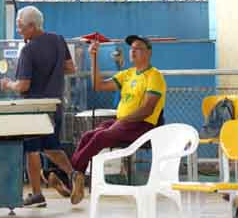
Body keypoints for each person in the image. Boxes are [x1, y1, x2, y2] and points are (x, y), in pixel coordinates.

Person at [0, 6, 82, 208]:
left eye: (20, 27)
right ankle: (73, 174)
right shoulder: (57, 39)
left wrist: (8, 84)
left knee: (32, 150)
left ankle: (36, 194)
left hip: (33, 108)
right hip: (55, 105)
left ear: (32, 26)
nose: (19, 31)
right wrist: (50, 70)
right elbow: (71, 68)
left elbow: (23, 86)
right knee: (50, 146)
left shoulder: (28, 50)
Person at [70, 35, 167, 193]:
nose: (133, 52)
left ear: (149, 53)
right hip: (123, 122)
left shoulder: (154, 76)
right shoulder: (127, 74)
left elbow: (147, 109)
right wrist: (93, 57)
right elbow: (98, 85)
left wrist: (121, 122)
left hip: (142, 126)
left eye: (138, 49)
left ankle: (72, 174)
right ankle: (75, 176)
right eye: (131, 49)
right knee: (88, 135)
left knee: (100, 137)